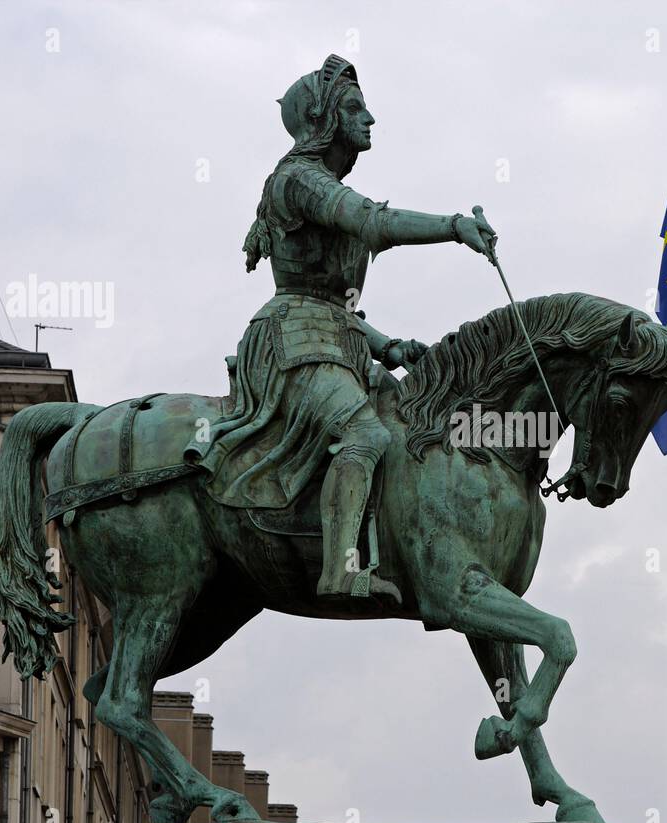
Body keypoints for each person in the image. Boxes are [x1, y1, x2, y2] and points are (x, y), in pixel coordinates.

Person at [185, 54, 496, 604]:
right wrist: (452, 227)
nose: (370, 117)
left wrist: (387, 345)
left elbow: (340, 301)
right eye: (355, 108)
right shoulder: (299, 179)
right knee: (367, 434)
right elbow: (373, 225)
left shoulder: (319, 182)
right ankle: (339, 570)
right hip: (295, 343)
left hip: (336, 339)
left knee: (406, 434)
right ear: (324, 119)